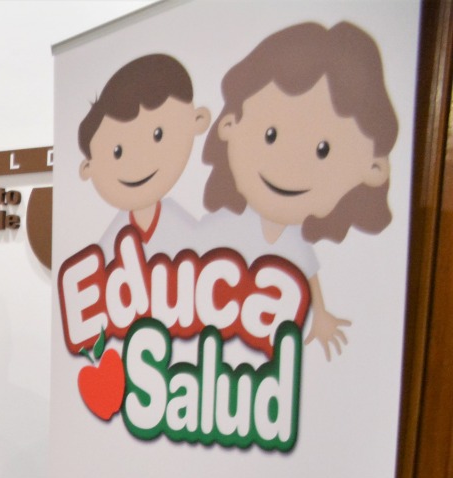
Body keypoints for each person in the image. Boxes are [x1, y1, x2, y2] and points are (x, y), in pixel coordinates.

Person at [199, 20, 398, 359]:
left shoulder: (295, 239)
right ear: (230, 125)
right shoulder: (225, 224)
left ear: (373, 169)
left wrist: (320, 316)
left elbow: (309, 274)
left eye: (323, 149)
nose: (288, 164)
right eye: (271, 135)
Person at [77, 53, 211, 258]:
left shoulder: (184, 225)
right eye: (118, 152)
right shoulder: (112, 237)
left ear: (198, 120)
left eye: (158, 135)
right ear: (88, 167)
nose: (136, 162)